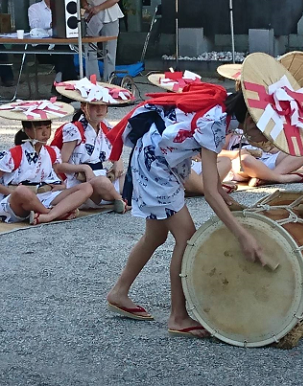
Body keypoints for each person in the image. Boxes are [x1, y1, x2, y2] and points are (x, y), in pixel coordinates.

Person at [105, 82, 271, 338]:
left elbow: (211, 176)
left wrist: (225, 197)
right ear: (250, 117)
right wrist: (242, 235)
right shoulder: (216, 122)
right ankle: (178, 316)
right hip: (156, 163)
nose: (260, 136)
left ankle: (119, 292)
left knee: (156, 236)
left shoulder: (222, 113)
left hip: (161, 157)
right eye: (261, 129)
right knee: (187, 239)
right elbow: (210, 192)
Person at [0, 100, 93, 225]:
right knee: (22, 191)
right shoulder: (14, 154)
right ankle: (51, 213)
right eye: (39, 129)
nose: (45, 133)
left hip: (44, 196)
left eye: (48, 128)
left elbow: (58, 180)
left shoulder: (51, 152)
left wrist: (60, 186)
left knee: (86, 187)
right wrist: (12, 192)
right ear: (27, 130)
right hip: (17, 200)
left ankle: (49, 216)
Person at [51, 77, 130, 213]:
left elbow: (114, 154)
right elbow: (59, 166)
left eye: (102, 105)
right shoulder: (73, 129)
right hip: (82, 185)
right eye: (94, 105)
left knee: (134, 173)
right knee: (102, 182)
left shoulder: (106, 126)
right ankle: (120, 200)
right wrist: (85, 168)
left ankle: (116, 198)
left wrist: (118, 162)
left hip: (104, 179)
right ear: (84, 107)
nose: (99, 110)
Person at [27, 0, 78, 89]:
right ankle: (68, 86)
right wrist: (51, 24)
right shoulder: (34, 8)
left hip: (59, 44)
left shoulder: (62, 8)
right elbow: (34, 25)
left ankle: (60, 80)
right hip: (42, 47)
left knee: (64, 51)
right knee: (66, 56)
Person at [82, 0, 124, 81]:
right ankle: (93, 81)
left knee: (109, 51)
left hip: (110, 13)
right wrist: (85, 5)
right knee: (90, 50)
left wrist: (99, 8)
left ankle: (109, 81)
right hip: (91, 14)